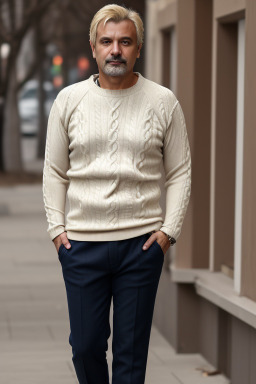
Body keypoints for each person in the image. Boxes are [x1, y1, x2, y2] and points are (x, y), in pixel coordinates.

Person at [42, 3, 191, 384]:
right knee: (86, 346)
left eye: (125, 42)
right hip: (81, 246)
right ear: (93, 47)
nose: (115, 50)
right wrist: (58, 232)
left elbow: (179, 173)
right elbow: (55, 171)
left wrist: (167, 233)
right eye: (107, 41)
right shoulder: (68, 101)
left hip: (141, 246)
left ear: (138, 48)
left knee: (131, 354)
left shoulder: (162, 102)